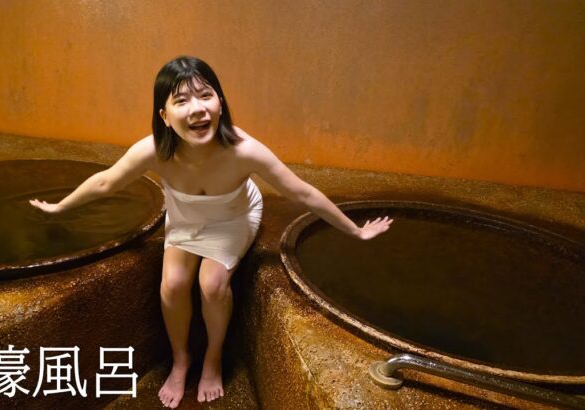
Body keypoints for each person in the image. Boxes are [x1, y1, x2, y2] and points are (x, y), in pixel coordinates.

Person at [29, 56, 393, 408]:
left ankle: (213, 358)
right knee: (173, 284)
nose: (197, 109)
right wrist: (61, 207)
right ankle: (181, 360)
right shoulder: (154, 150)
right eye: (182, 101)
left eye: (206, 95)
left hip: (234, 219)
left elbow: (302, 192)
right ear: (164, 115)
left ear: (220, 102)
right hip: (185, 221)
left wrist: (354, 230)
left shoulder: (244, 150)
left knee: (212, 284)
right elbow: (106, 182)